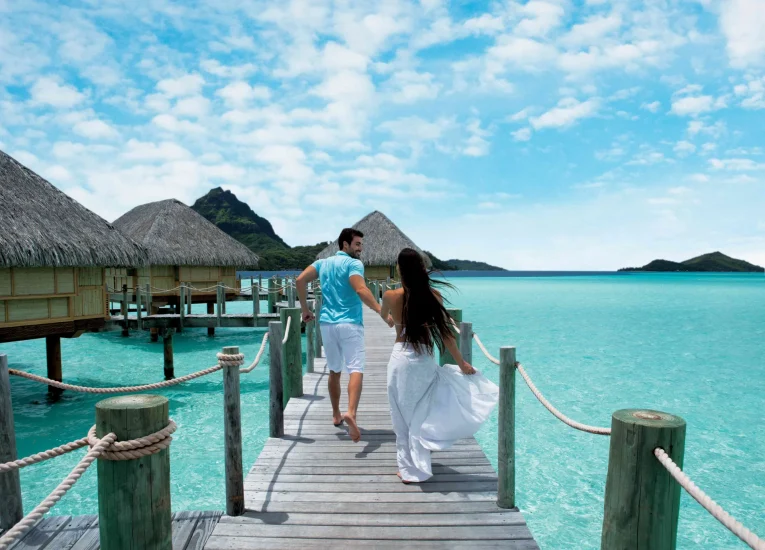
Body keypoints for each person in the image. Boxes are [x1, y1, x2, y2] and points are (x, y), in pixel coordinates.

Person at [380, 248, 499, 483]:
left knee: (401, 414)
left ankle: (407, 467)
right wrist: (462, 363)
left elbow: (386, 317)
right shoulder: (433, 295)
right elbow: (446, 336)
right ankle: (420, 457)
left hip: (400, 359)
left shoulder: (390, 296)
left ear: (400, 270)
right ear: (422, 270)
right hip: (423, 359)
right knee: (421, 410)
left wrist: (393, 319)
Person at [296, 227, 393, 442]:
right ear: (345, 245)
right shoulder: (353, 264)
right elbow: (360, 289)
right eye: (357, 244)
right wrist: (381, 312)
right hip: (350, 324)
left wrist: (305, 310)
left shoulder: (322, 263)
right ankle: (351, 413)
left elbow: (300, 280)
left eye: (361, 244)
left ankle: (335, 414)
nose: (360, 249)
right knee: (356, 369)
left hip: (327, 325)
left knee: (334, 371)